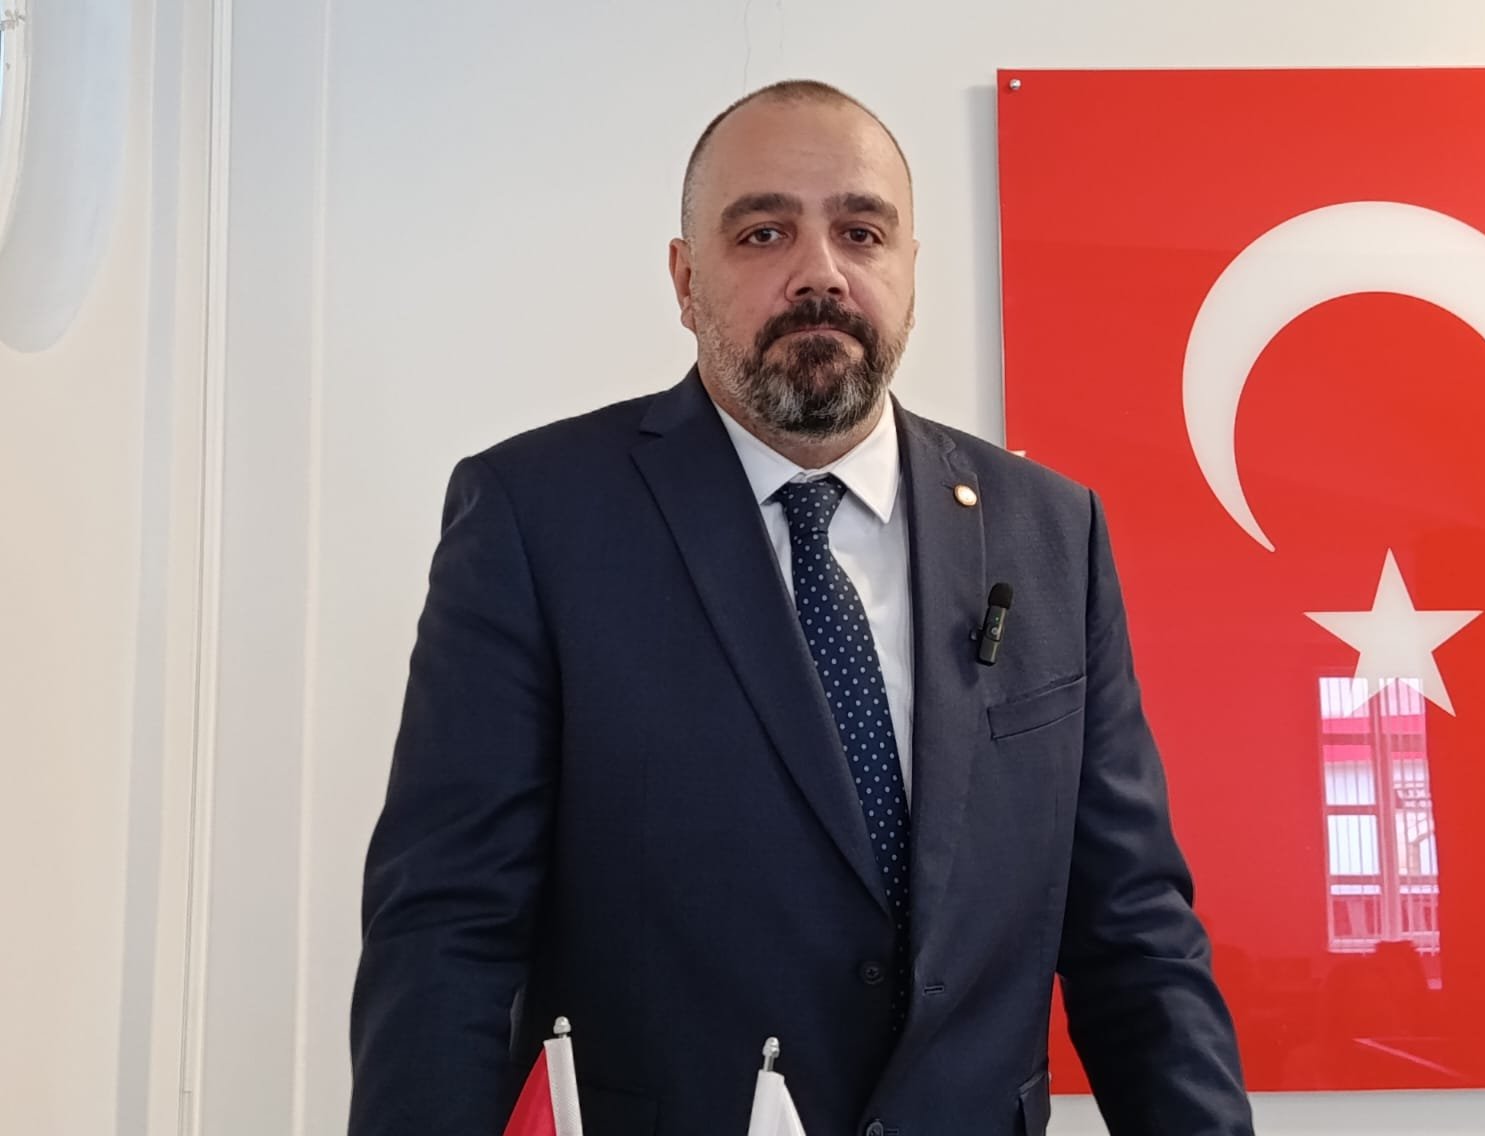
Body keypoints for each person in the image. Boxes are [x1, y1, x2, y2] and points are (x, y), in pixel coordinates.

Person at [349, 79, 1253, 1136]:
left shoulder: (1051, 533)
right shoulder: (537, 516)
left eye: (861, 232)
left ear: (909, 271)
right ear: (685, 279)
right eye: (763, 232)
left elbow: (1133, 934)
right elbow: (447, 928)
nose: (819, 272)